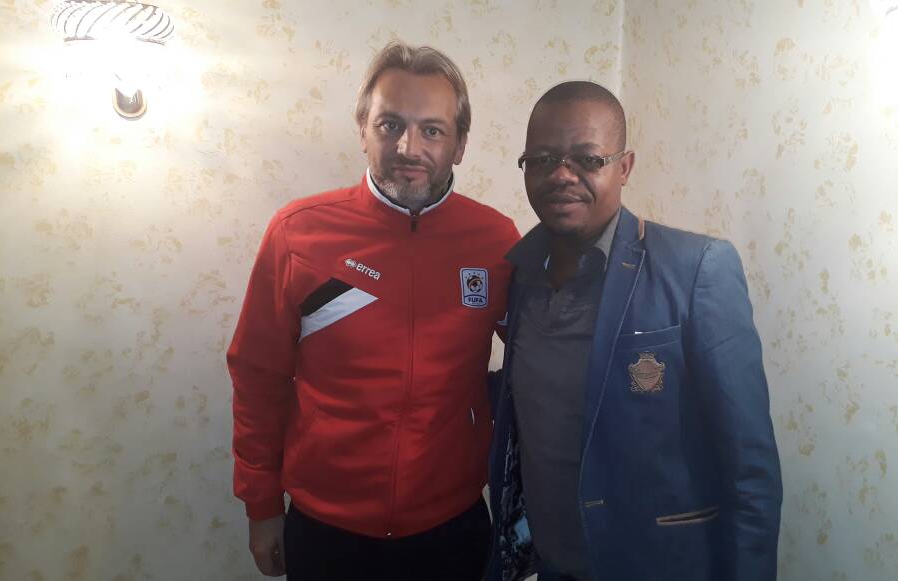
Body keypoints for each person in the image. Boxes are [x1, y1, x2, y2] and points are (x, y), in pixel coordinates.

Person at [228, 41, 520, 580]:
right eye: (390, 124)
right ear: (363, 129)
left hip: (451, 528)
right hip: (326, 531)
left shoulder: (495, 242)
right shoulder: (298, 234)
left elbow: (542, 361)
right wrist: (261, 506)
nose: (409, 146)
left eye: (432, 130)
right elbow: (257, 378)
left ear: (459, 145)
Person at [487, 81, 783, 581]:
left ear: (623, 167)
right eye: (542, 159)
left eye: (588, 159)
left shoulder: (696, 270)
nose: (561, 175)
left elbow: (750, 470)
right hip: (553, 565)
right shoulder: (519, 277)